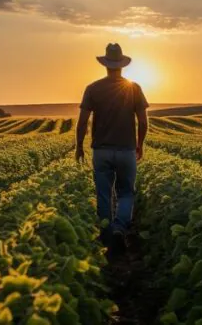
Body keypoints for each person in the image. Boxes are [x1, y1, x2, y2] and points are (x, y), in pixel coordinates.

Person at [75, 43, 149, 252]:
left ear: (105, 64)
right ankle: (119, 228)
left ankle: (106, 236)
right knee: (126, 193)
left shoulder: (93, 88)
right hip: (126, 150)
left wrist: (79, 146)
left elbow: (82, 122)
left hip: (101, 150)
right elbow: (143, 122)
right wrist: (139, 145)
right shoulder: (134, 88)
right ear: (122, 65)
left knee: (103, 193)